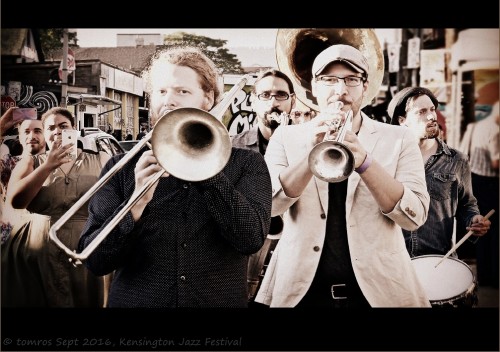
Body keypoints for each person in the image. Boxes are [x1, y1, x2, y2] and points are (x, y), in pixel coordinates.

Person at [78, 46, 272, 308]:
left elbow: (250, 240)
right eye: (161, 91)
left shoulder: (246, 163)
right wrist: (134, 206)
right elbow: (96, 261)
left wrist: (206, 171)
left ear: (208, 99)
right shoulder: (121, 167)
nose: (168, 100)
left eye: (182, 91)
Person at [256, 44, 431, 308]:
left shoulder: (399, 138)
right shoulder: (286, 136)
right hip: (301, 292)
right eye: (329, 80)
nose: (341, 90)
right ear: (314, 87)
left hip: (379, 293)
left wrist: (366, 164)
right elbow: (268, 206)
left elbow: (414, 217)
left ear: (365, 86)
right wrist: (309, 155)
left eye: (351, 79)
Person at [2, 107, 111, 307]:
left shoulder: (100, 158)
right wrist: (47, 166)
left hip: (85, 246)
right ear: (45, 132)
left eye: (63, 126)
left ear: (75, 129)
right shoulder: (31, 162)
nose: (57, 132)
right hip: (40, 248)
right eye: (51, 128)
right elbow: (15, 201)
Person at [388, 86, 491, 258]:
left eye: (432, 109)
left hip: (438, 261)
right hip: (395, 261)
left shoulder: (457, 160)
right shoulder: (388, 159)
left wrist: (474, 220)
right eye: (421, 111)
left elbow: (467, 205)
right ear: (402, 120)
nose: (431, 116)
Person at [231, 68, 295, 304]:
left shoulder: (308, 145)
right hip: (246, 256)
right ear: (253, 101)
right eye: (265, 95)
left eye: (281, 95)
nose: (273, 102)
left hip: (293, 254)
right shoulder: (233, 147)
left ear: (292, 101)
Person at [459, 101, 499, 287]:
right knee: (493, 230)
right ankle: (493, 275)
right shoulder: (496, 131)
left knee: (481, 228)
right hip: (491, 184)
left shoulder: (475, 127)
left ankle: (484, 274)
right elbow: (495, 163)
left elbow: (462, 153)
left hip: (474, 180)